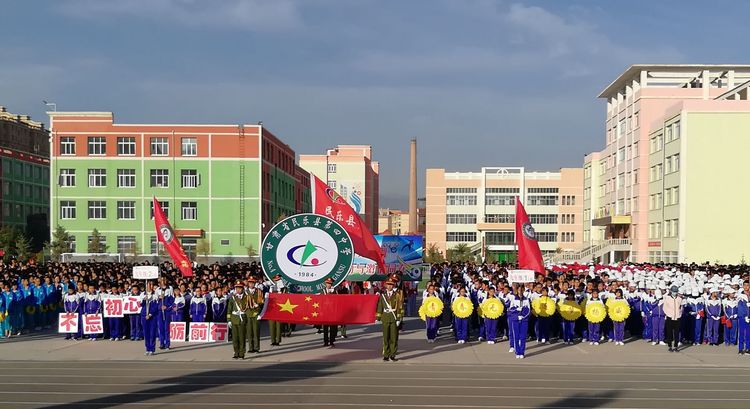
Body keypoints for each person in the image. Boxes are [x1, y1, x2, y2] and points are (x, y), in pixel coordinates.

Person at [376, 278, 403, 361]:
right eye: (388, 284)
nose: (389, 286)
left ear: (393, 285)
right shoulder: (383, 295)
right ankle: (386, 355)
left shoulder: (397, 295)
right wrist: (378, 317)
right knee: (385, 337)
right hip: (385, 318)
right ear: (385, 285)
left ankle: (393, 354)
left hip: (394, 318)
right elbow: (380, 306)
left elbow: (400, 307)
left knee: (393, 338)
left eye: (391, 285)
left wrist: (399, 318)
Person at [227, 281, 249, 359]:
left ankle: (242, 353)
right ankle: (236, 352)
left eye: (239, 288)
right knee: (235, 338)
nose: (238, 290)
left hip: (242, 319)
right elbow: (229, 309)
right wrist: (229, 320)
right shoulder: (233, 298)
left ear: (243, 289)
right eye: (237, 288)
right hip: (234, 319)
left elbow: (249, 308)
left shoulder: (246, 297)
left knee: (242, 337)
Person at [509, 285, 531, 359]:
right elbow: (510, 310)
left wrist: (523, 316)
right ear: (516, 290)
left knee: (523, 337)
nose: (520, 292)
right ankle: (517, 351)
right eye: (519, 290)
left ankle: (522, 352)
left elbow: (528, 310)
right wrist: (516, 310)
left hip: (524, 320)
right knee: (516, 336)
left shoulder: (526, 299)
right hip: (515, 320)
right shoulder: (513, 299)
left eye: (522, 290)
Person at [245, 277, 264, 354]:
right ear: (248, 283)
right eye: (250, 283)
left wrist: (258, 306)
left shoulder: (258, 291)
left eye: (252, 283)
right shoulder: (245, 292)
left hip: (256, 313)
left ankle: (256, 348)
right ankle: (250, 347)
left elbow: (262, 301)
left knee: (256, 331)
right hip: (248, 313)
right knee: (249, 332)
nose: (251, 284)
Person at [663, 285, 683, 352]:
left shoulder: (679, 299)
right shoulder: (667, 298)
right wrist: (668, 314)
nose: (675, 293)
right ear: (671, 291)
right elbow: (664, 308)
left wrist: (679, 314)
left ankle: (676, 346)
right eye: (673, 291)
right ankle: (670, 346)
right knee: (669, 333)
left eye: (676, 292)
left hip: (677, 318)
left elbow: (681, 307)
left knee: (677, 333)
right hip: (670, 318)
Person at [266, 275, 284, 346]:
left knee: (278, 326)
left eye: (278, 280)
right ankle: (273, 340)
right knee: (272, 325)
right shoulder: (270, 288)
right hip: (271, 309)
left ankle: (278, 340)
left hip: (279, 308)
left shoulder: (283, 289)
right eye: (275, 280)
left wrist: (281, 291)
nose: (277, 281)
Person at [141, 289, 159, 356]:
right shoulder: (142, 294)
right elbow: (141, 304)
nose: (149, 287)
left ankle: (152, 349)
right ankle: (147, 349)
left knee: (152, 333)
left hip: (152, 317)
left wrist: (150, 314)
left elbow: (156, 307)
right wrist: (144, 300)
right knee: (146, 333)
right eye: (148, 285)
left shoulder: (155, 295)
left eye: (150, 285)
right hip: (144, 316)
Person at [321, 278, 338, 347]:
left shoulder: (335, 291)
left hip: (332, 311)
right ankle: (325, 342)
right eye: (328, 283)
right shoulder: (322, 291)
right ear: (325, 283)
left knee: (332, 328)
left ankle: (331, 341)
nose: (329, 285)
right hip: (325, 312)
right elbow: (320, 301)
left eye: (330, 283)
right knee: (325, 328)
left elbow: (338, 301)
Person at [158, 285, 174, 350]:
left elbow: (172, 301)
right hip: (160, 312)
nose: (162, 281)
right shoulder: (157, 290)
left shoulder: (170, 288)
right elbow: (155, 301)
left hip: (167, 312)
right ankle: (162, 343)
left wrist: (167, 307)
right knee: (161, 328)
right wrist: (159, 299)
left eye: (163, 279)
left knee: (166, 329)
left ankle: (167, 344)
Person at [737, 280, 750, 354]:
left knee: (748, 334)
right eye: (744, 285)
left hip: (749, 318)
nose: (746, 287)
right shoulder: (740, 296)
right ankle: (741, 349)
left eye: (747, 285)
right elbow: (740, 307)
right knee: (741, 333)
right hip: (742, 317)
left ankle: (748, 348)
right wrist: (744, 316)